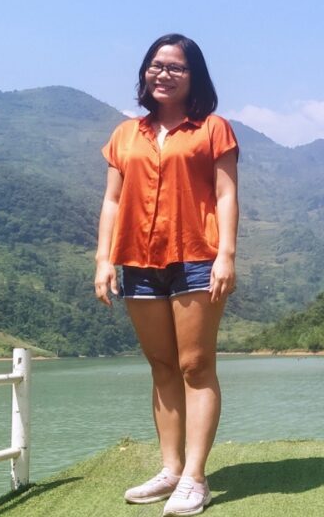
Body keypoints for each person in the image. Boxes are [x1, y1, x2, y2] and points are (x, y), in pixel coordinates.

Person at [95, 33, 239, 516]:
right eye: (156, 65)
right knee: (161, 366)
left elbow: (226, 195)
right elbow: (112, 201)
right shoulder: (125, 135)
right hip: (137, 260)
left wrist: (226, 254)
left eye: (176, 67)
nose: (164, 74)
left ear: (194, 76)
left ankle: (196, 478)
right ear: (145, 72)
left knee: (195, 365)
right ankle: (171, 469)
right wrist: (103, 260)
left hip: (197, 256)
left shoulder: (213, 129)